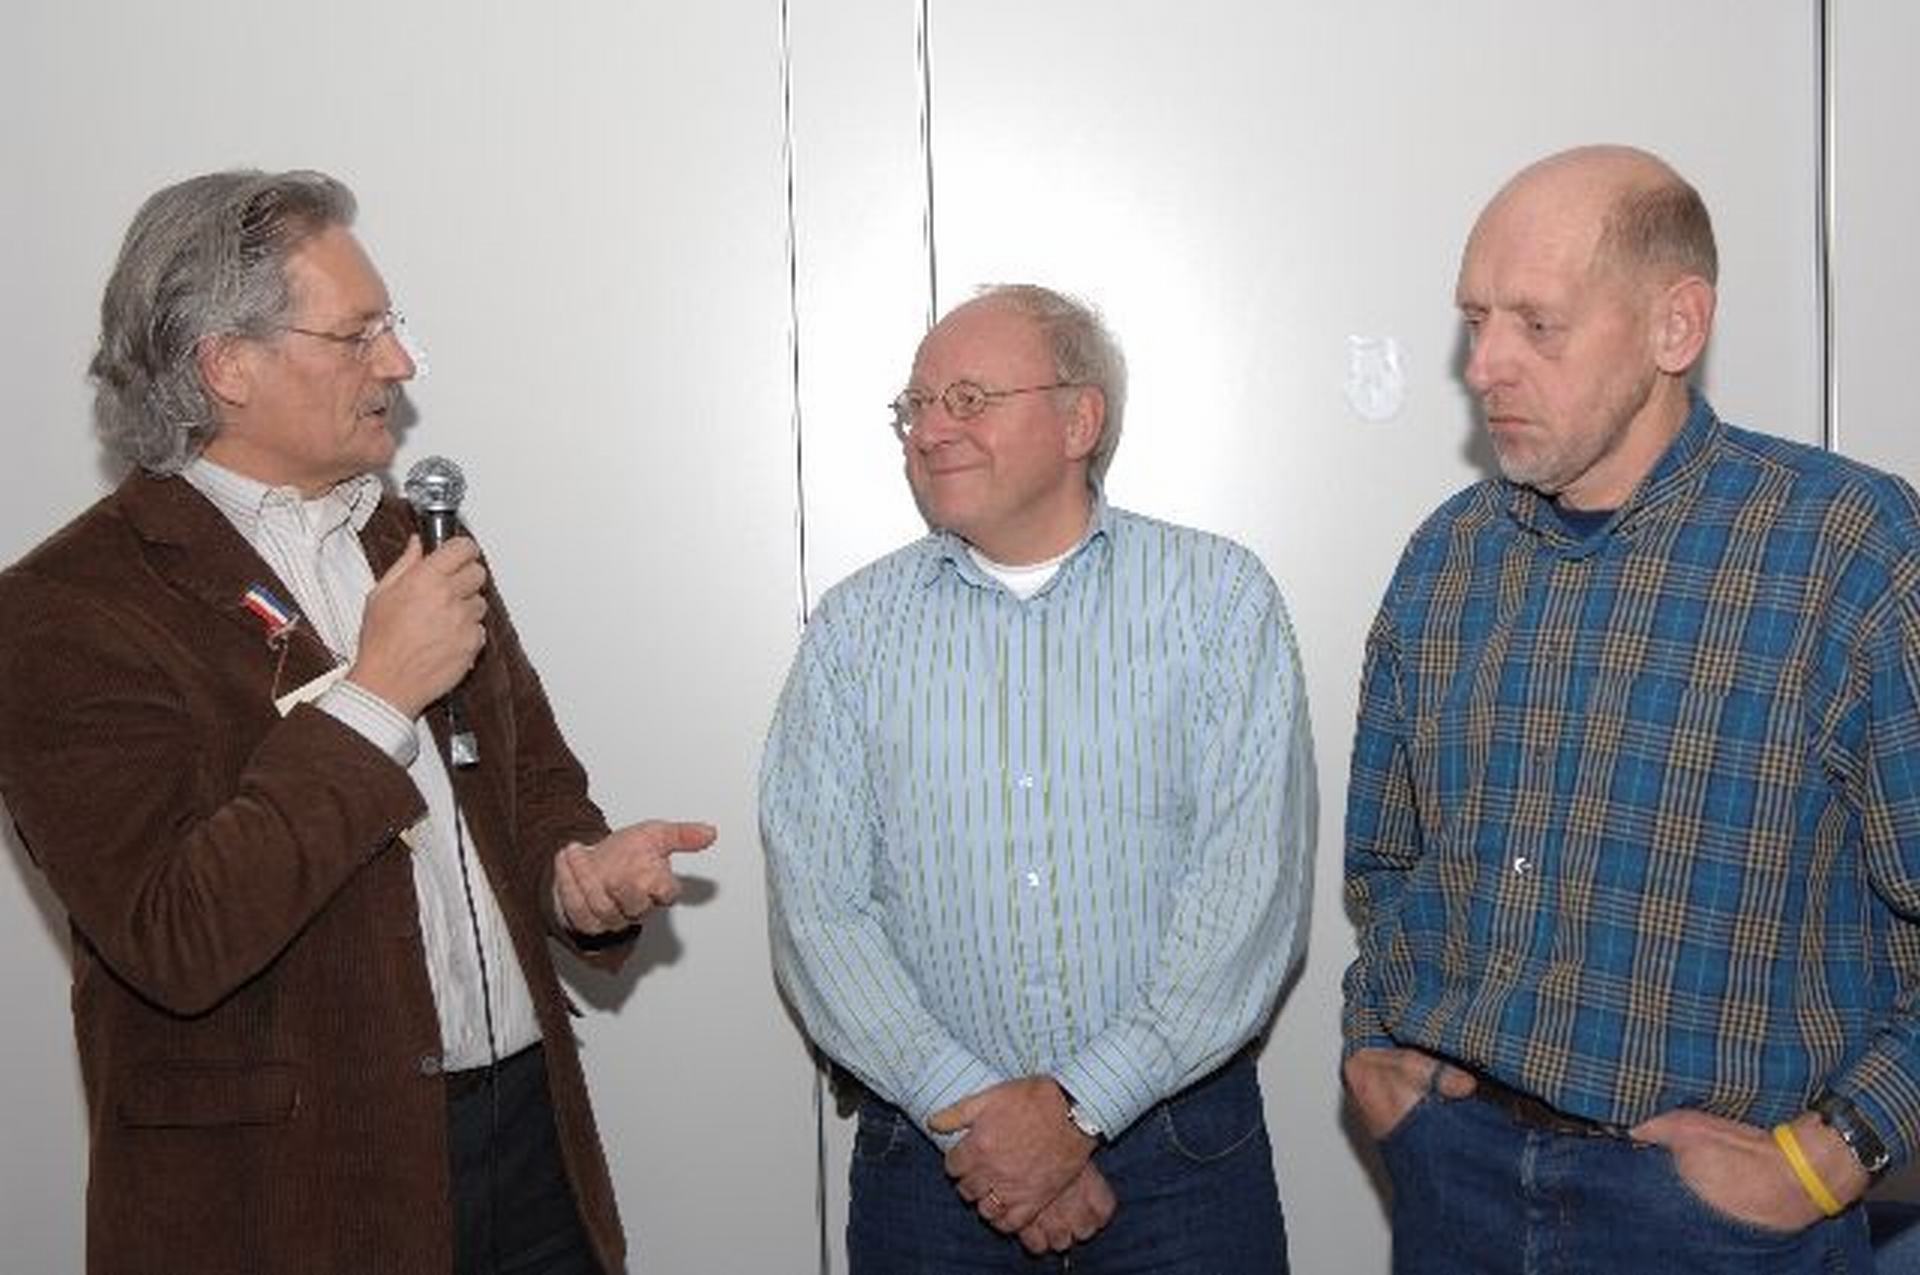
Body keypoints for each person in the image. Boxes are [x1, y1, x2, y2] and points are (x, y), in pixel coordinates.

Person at [0, 169, 715, 1275]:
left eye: (393, 326)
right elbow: (173, 934)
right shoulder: (66, 610)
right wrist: (374, 697)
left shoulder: (413, 538)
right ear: (227, 365)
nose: (400, 363)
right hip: (288, 1198)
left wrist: (574, 875)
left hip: (528, 1146)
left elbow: (529, 785)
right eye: (358, 334)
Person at [1342, 143, 1920, 1272]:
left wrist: (1839, 1149)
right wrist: (1378, 1047)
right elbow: (1388, 864)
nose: (1484, 365)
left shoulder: (1849, 550)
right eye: (1476, 320)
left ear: (1675, 327)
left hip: (1720, 1221)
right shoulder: (1447, 557)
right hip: (1454, 1180)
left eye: (1537, 325)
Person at [760, 284, 1314, 1270]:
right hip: (930, 1157)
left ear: (1078, 420)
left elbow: (1249, 893)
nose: (930, 430)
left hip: (1177, 1157)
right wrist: (983, 1124)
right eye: (915, 406)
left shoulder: (1218, 599)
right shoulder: (853, 631)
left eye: (968, 399)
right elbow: (818, 909)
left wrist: (1079, 1109)